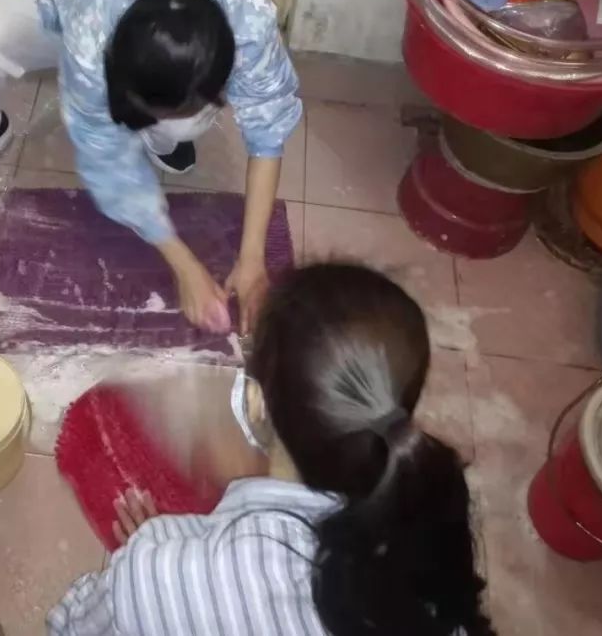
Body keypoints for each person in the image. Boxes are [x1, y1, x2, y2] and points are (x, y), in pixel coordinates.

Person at [47, 263, 496, 636]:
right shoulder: (428, 531)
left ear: (255, 401)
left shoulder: (156, 577)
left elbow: (70, 627)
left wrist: (153, 557)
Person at [0, 0, 302, 333]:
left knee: (182, 125)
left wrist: (252, 259)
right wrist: (185, 265)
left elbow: (267, 131)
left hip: (135, 27)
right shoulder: (91, 38)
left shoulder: (251, 26)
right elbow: (106, 161)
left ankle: (167, 133)